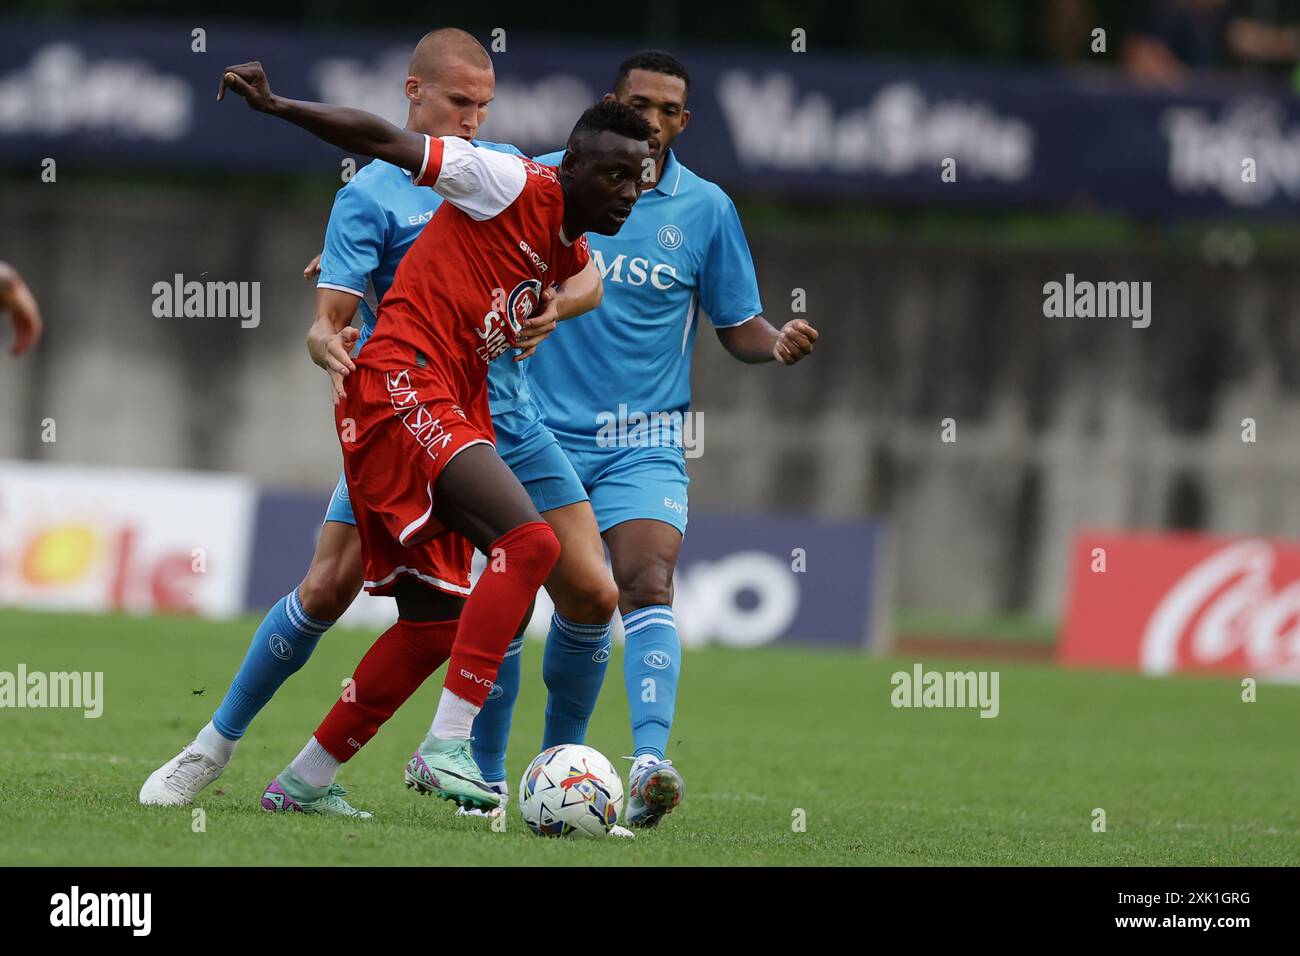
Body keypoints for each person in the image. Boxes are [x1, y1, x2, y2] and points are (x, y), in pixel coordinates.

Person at [140, 29, 618, 813]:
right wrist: (328, 340)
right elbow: (326, 321)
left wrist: (553, 306)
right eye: (460, 102)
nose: (472, 118)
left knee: (586, 592)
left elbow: (586, 269)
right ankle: (211, 747)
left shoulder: (495, 173)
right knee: (328, 588)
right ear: (413, 92)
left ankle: (511, 781)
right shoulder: (371, 195)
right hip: (411, 410)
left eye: (484, 105)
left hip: (508, 420)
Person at [484, 50, 818, 827]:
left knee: (644, 580)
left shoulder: (707, 210)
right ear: (612, 104)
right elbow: (448, 239)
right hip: (530, 426)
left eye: (670, 111)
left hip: (646, 436)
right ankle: (486, 773)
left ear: (686, 121)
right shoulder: (541, 180)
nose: (656, 123)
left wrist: (775, 344)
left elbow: (737, 324)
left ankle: (648, 766)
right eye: (642, 106)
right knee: (505, 593)